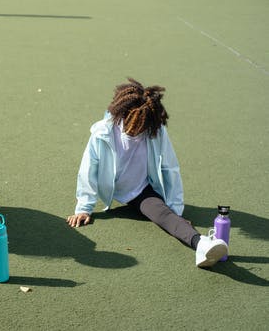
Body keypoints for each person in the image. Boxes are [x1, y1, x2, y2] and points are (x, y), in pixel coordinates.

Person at [66, 78, 227, 268]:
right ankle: (198, 239)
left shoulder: (155, 131)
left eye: (141, 127)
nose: (135, 131)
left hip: (141, 191)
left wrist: (175, 211)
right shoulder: (102, 132)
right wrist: (84, 208)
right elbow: (88, 168)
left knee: (164, 216)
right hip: (113, 186)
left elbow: (170, 168)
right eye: (131, 125)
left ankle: (202, 244)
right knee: (165, 214)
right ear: (121, 114)